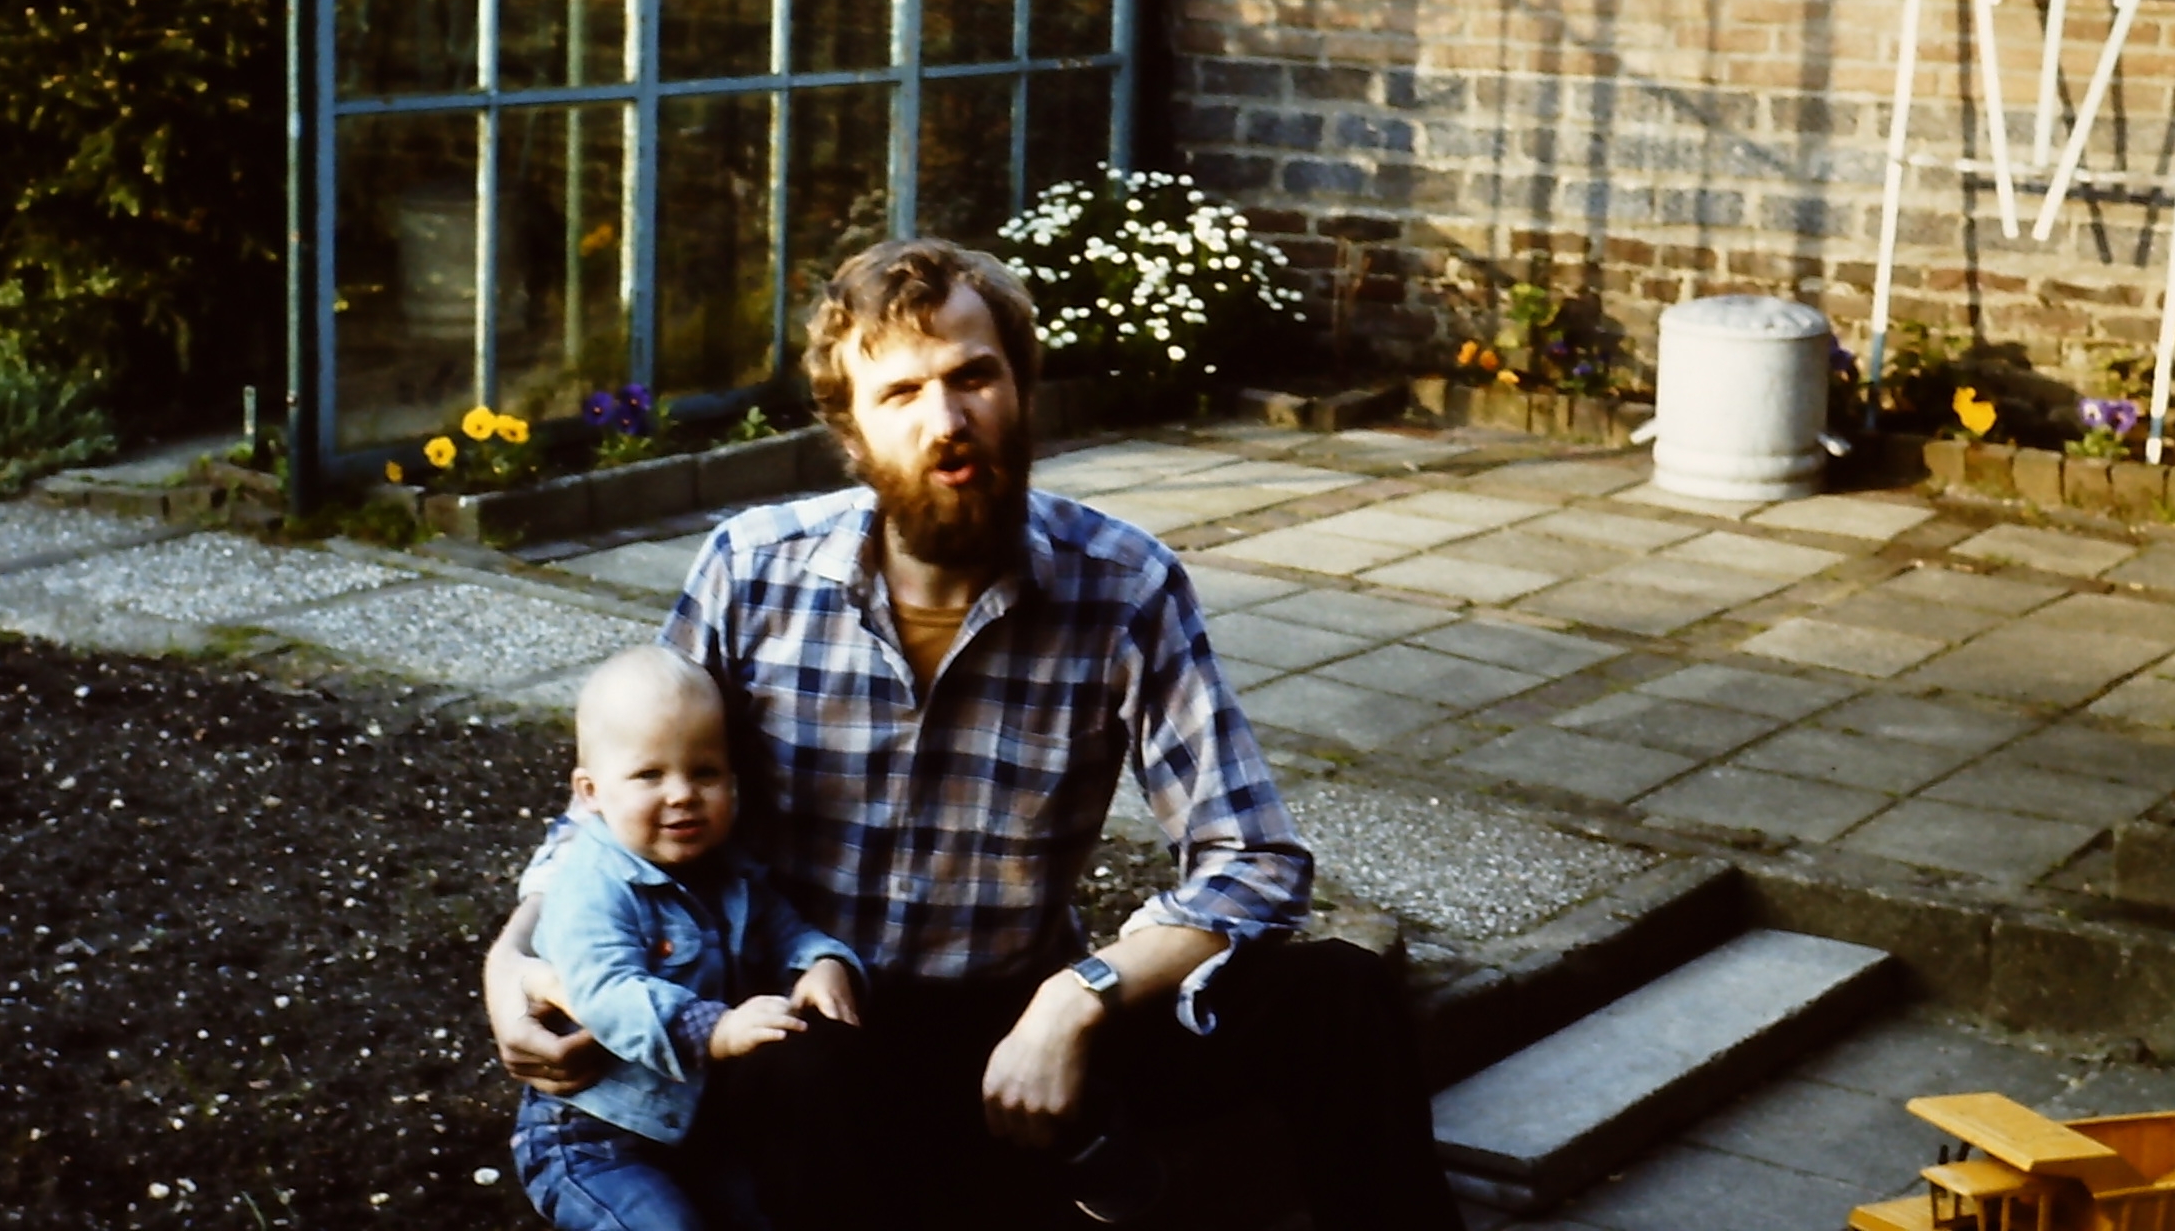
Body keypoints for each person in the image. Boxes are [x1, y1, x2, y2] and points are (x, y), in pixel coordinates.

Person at [487, 238, 1461, 1231]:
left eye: (973, 377)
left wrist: (1075, 1000)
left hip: (1015, 1018)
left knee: (1337, 993)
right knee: (802, 1071)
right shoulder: (752, 571)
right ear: (850, 431)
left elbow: (1253, 857)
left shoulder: (1123, 583)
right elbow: (621, 792)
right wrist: (511, 958)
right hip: (822, 1025)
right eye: (901, 394)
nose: (947, 422)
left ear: (1022, 387)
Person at [510, 646, 863, 1231]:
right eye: (650, 774)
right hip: (595, 1137)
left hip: (697, 1128)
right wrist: (716, 1028)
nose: (681, 794)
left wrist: (823, 962)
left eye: (705, 772)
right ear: (591, 792)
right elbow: (605, 992)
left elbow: (786, 931)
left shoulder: (729, 872)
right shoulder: (591, 886)